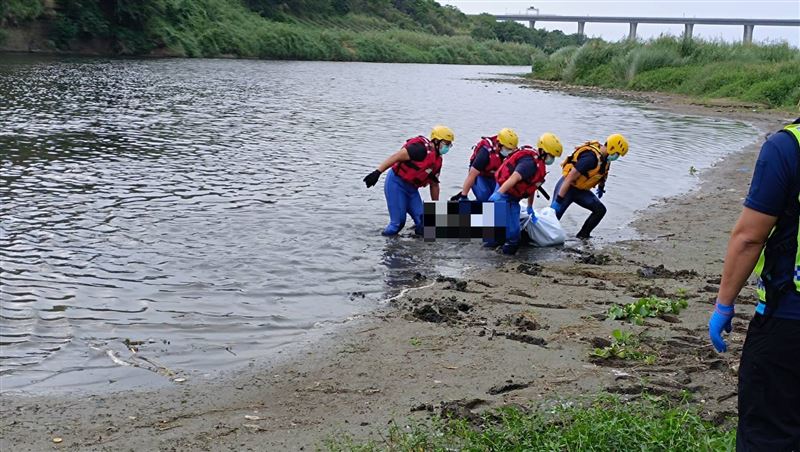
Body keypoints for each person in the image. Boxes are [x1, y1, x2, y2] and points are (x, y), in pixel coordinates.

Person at [708, 119, 800, 451]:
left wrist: (724, 304)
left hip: (788, 322)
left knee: (768, 433)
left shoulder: (787, 147)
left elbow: (749, 238)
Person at [363, 125, 454, 236]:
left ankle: (414, 243)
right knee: (397, 224)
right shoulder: (419, 150)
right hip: (396, 184)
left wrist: (435, 208)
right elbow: (396, 157)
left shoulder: (437, 160)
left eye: (450, 145)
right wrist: (377, 173)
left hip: (411, 189)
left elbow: (434, 184)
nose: (448, 147)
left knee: (425, 225)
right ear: (435, 141)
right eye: (446, 144)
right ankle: (382, 244)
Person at [487, 132, 563, 255]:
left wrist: (529, 207)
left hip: (513, 198)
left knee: (510, 233)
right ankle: (495, 259)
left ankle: (499, 256)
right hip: (505, 193)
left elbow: (532, 187)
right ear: (543, 151)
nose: (552, 159)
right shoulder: (529, 164)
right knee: (510, 235)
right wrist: (498, 194)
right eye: (551, 155)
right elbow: (514, 178)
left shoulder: (539, 165)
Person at [550, 134, 629, 239]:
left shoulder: (605, 158)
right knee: (552, 220)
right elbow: (569, 178)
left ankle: (583, 235)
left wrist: (601, 187)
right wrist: (559, 200)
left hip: (580, 191)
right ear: (612, 148)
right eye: (617, 154)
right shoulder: (590, 158)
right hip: (567, 188)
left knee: (600, 210)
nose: (617, 157)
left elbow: (603, 173)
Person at [450, 128, 518, 202]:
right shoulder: (485, 153)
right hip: (480, 175)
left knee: (499, 199)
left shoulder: (512, 154)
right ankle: (461, 197)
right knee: (485, 198)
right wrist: (464, 196)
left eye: (512, 149)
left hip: (494, 177)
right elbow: (472, 175)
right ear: (499, 144)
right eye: (507, 149)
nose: (509, 152)